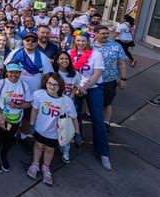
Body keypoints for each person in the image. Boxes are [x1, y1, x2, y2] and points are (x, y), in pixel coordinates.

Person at [4, 32, 53, 154]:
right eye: (27, 40)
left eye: (33, 40)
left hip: (33, 94)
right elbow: (6, 69)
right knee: (11, 115)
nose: (30, 42)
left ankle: (23, 137)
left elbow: (48, 77)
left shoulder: (43, 58)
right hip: (13, 92)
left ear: (37, 42)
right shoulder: (15, 53)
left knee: (27, 117)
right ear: (23, 41)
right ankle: (11, 135)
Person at [27, 73, 79, 186]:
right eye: (49, 83)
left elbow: (74, 118)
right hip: (40, 129)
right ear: (45, 83)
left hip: (54, 133)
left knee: (50, 150)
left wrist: (77, 133)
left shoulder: (66, 101)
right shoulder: (38, 94)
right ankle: (35, 164)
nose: (52, 87)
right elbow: (34, 110)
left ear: (60, 86)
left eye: (55, 85)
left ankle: (46, 168)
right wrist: (31, 124)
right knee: (38, 146)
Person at [70, 30, 111, 170]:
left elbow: (97, 73)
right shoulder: (70, 54)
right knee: (75, 115)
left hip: (93, 88)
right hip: (76, 88)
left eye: (83, 41)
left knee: (98, 119)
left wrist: (85, 87)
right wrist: (76, 88)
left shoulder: (96, 54)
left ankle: (103, 152)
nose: (80, 43)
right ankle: (78, 137)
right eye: (78, 40)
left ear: (88, 42)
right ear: (74, 41)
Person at [0, 62, 32, 172]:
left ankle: (3, 155)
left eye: (17, 72)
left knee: (9, 138)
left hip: (15, 118)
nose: (14, 75)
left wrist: (17, 105)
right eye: (11, 72)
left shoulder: (24, 86)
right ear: (7, 72)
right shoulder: (0, 83)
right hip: (2, 116)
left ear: (20, 73)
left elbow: (28, 103)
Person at [93, 25, 128, 134]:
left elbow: (122, 63)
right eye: (103, 33)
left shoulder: (116, 46)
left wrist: (123, 79)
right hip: (92, 80)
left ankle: (106, 122)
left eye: (107, 33)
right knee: (91, 100)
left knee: (107, 102)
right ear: (96, 34)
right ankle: (89, 114)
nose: (106, 35)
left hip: (110, 80)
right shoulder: (89, 45)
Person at [53, 51, 81, 163]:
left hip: (67, 105)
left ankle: (65, 150)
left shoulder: (74, 74)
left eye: (66, 59)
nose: (64, 61)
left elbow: (76, 86)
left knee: (65, 127)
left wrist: (71, 96)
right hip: (54, 103)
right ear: (57, 61)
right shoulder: (53, 73)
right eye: (61, 58)